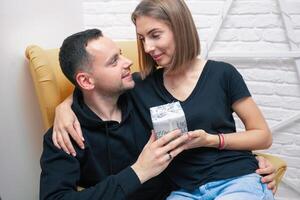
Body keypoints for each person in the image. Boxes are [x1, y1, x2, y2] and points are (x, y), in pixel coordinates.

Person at [53, 0, 277, 198]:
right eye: (142, 39)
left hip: (234, 178)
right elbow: (98, 90)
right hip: (183, 190)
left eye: (155, 35)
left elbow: (263, 135)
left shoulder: (222, 74)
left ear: (179, 28)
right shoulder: (140, 85)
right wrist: (63, 108)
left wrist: (212, 140)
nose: (147, 47)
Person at [40, 29, 190, 200]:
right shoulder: (65, 134)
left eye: (120, 54)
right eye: (114, 61)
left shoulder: (141, 87)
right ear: (86, 81)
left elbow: (190, 72)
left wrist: (65, 104)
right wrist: (139, 171)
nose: (128, 62)